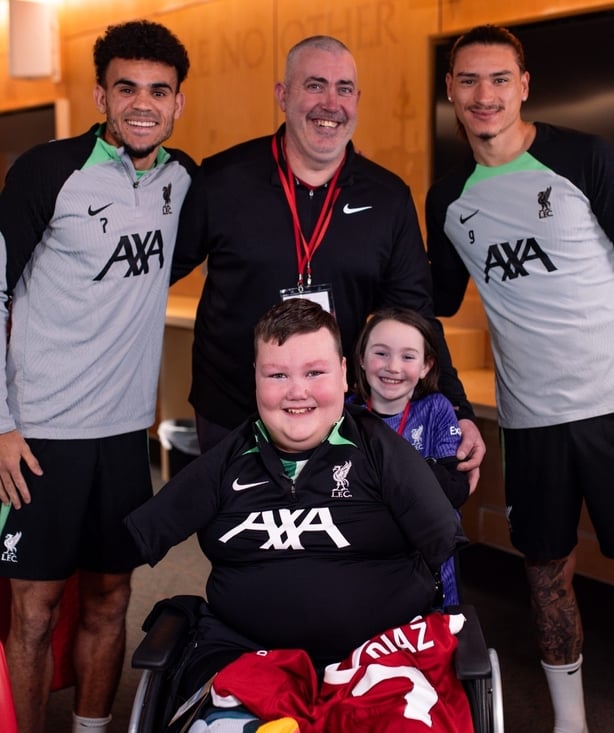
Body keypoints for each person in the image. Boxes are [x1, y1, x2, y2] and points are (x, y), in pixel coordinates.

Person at [125, 297, 469, 731]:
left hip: (377, 658)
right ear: (256, 377)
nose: (297, 391)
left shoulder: (383, 452)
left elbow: (443, 554)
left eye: (314, 372)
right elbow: (136, 537)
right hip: (245, 656)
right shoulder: (228, 459)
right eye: (277, 374)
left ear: (345, 373)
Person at [173, 34, 485, 489]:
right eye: (315, 85)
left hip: (336, 415)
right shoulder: (221, 180)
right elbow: (152, 273)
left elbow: (415, 314)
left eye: (343, 89)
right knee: (238, 550)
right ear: (283, 95)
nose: (330, 103)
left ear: (357, 100)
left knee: (328, 553)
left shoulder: (387, 197)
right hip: (232, 412)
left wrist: (458, 410)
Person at [0, 20, 193, 733]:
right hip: (39, 437)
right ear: (100, 94)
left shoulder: (182, 180)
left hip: (122, 439)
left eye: (158, 91)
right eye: (127, 88)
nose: (142, 103)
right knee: (34, 610)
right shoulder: (47, 171)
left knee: (112, 600)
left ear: (178, 102)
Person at [426, 23, 614, 733]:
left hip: (610, 403)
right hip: (531, 420)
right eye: (469, 80)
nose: (485, 94)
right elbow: (433, 302)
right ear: (451, 91)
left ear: (524, 85)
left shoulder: (583, 156)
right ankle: (572, 721)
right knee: (545, 572)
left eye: (499, 78)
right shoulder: (447, 200)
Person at [351, 307, 470, 605]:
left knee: (433, 639)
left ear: (427, 365)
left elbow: (456, 489)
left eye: (407, 356)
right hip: (365, 554)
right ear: (362, 359)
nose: (393, 366)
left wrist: (383, 479)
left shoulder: (436, 409)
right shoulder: (344, 414)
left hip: (429, 557)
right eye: (381, 353)